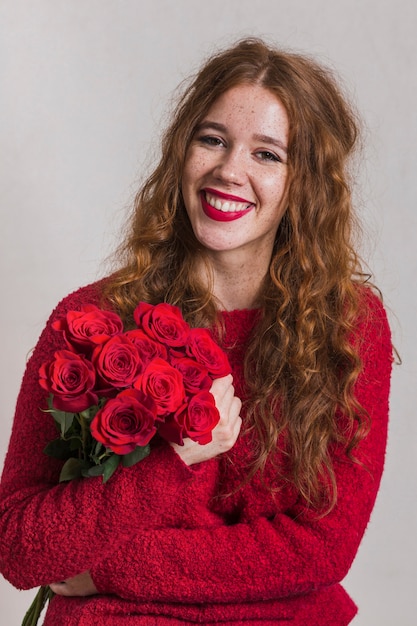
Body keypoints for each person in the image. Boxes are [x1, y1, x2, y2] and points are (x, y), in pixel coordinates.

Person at [0, 37, 393, 625]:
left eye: (268, 154)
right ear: (181, 151)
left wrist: (104, 571)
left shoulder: (348, 328)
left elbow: (320, 549)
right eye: (212, 140)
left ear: (304, 184)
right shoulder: (90, 322)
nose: (229, 171)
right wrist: (169, 468)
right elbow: (19, 546)